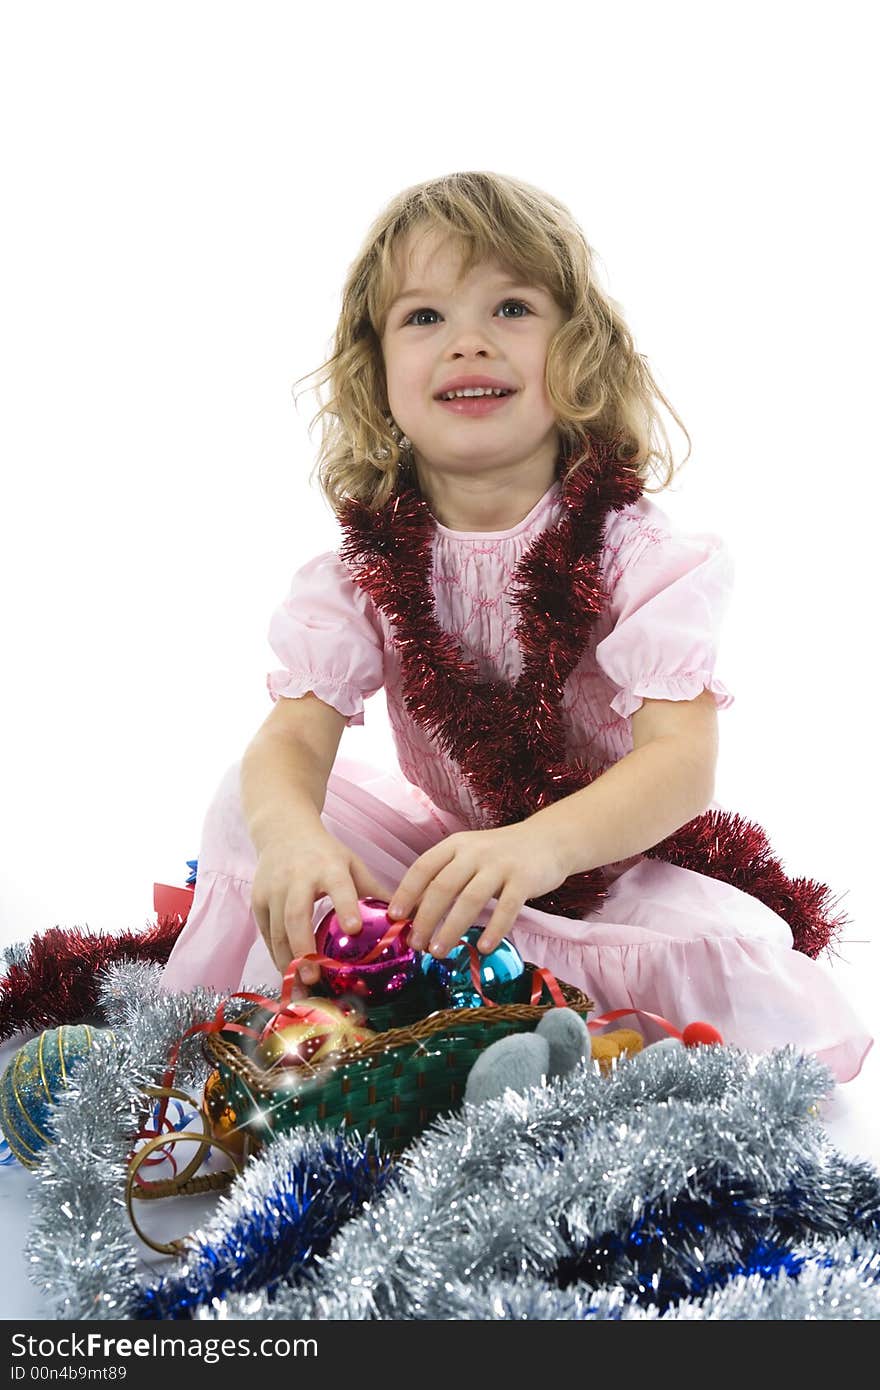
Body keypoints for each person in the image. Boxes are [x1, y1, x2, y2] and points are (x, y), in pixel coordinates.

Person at [160, 170, 871, 1083]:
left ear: (577, 354)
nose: (468, 343)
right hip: (447, 859)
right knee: (248, 804)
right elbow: (293, 736)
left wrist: (537, 849)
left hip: (597, 868)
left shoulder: (633, 554)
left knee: (716, 942)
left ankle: (507, 1014)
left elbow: (681, 763)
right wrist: (295, 836)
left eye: (510, 309)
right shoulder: (366, 567)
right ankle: (382, 984)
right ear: (376, 375)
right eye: (424, 318)